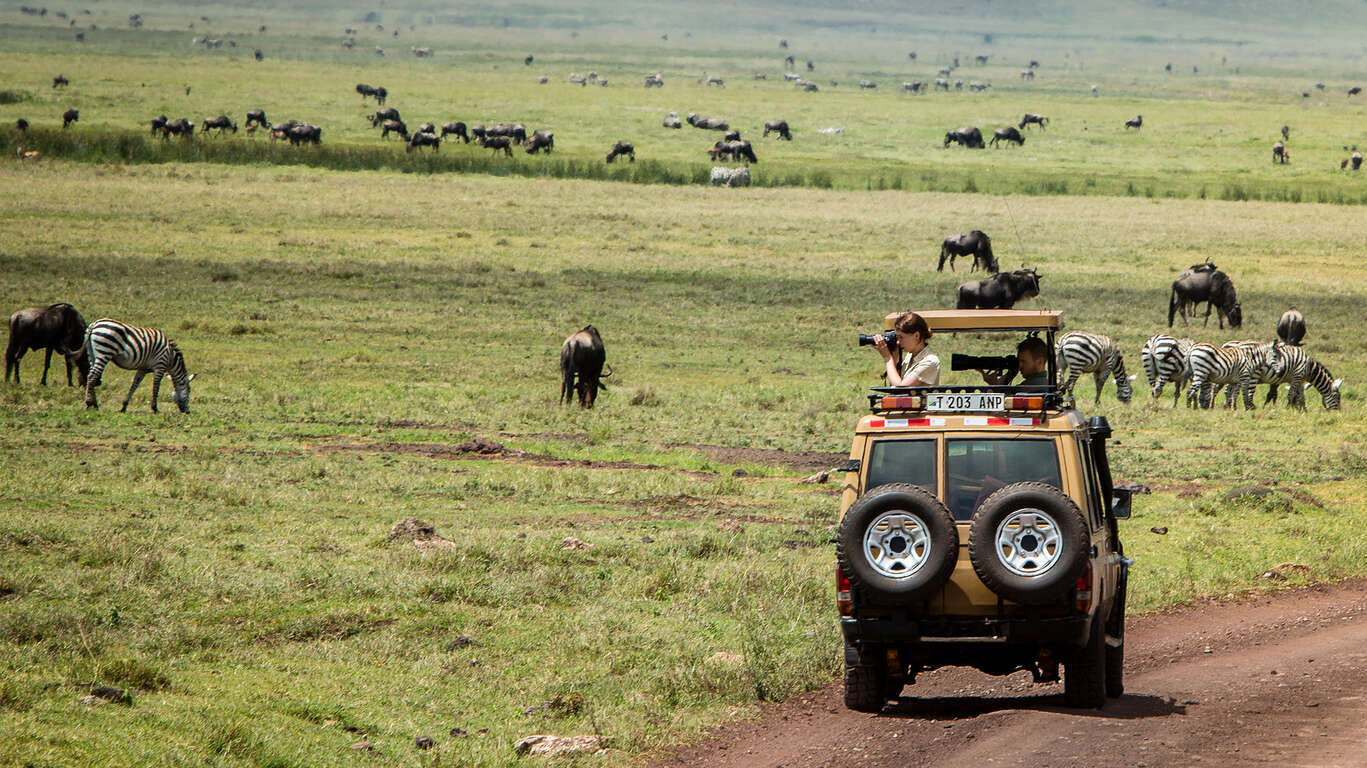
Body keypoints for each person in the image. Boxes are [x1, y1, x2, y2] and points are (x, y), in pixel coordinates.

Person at [872, 312, 939, 386]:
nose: (898, 342)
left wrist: (888, 358)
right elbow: (894, 386)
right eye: (897, 338)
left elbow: (901, 388)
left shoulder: (930, 362)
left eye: (901, 337)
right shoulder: (909, 357)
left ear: (916, 335)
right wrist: (894, 358)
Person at [982, 336, 1049, 388]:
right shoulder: (1045, 384)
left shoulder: (1031, 386)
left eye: (1023, 362)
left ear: (1040, 362)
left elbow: (1004, 401)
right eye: (1019, 361)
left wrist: (995, 386)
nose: (1019, 365)